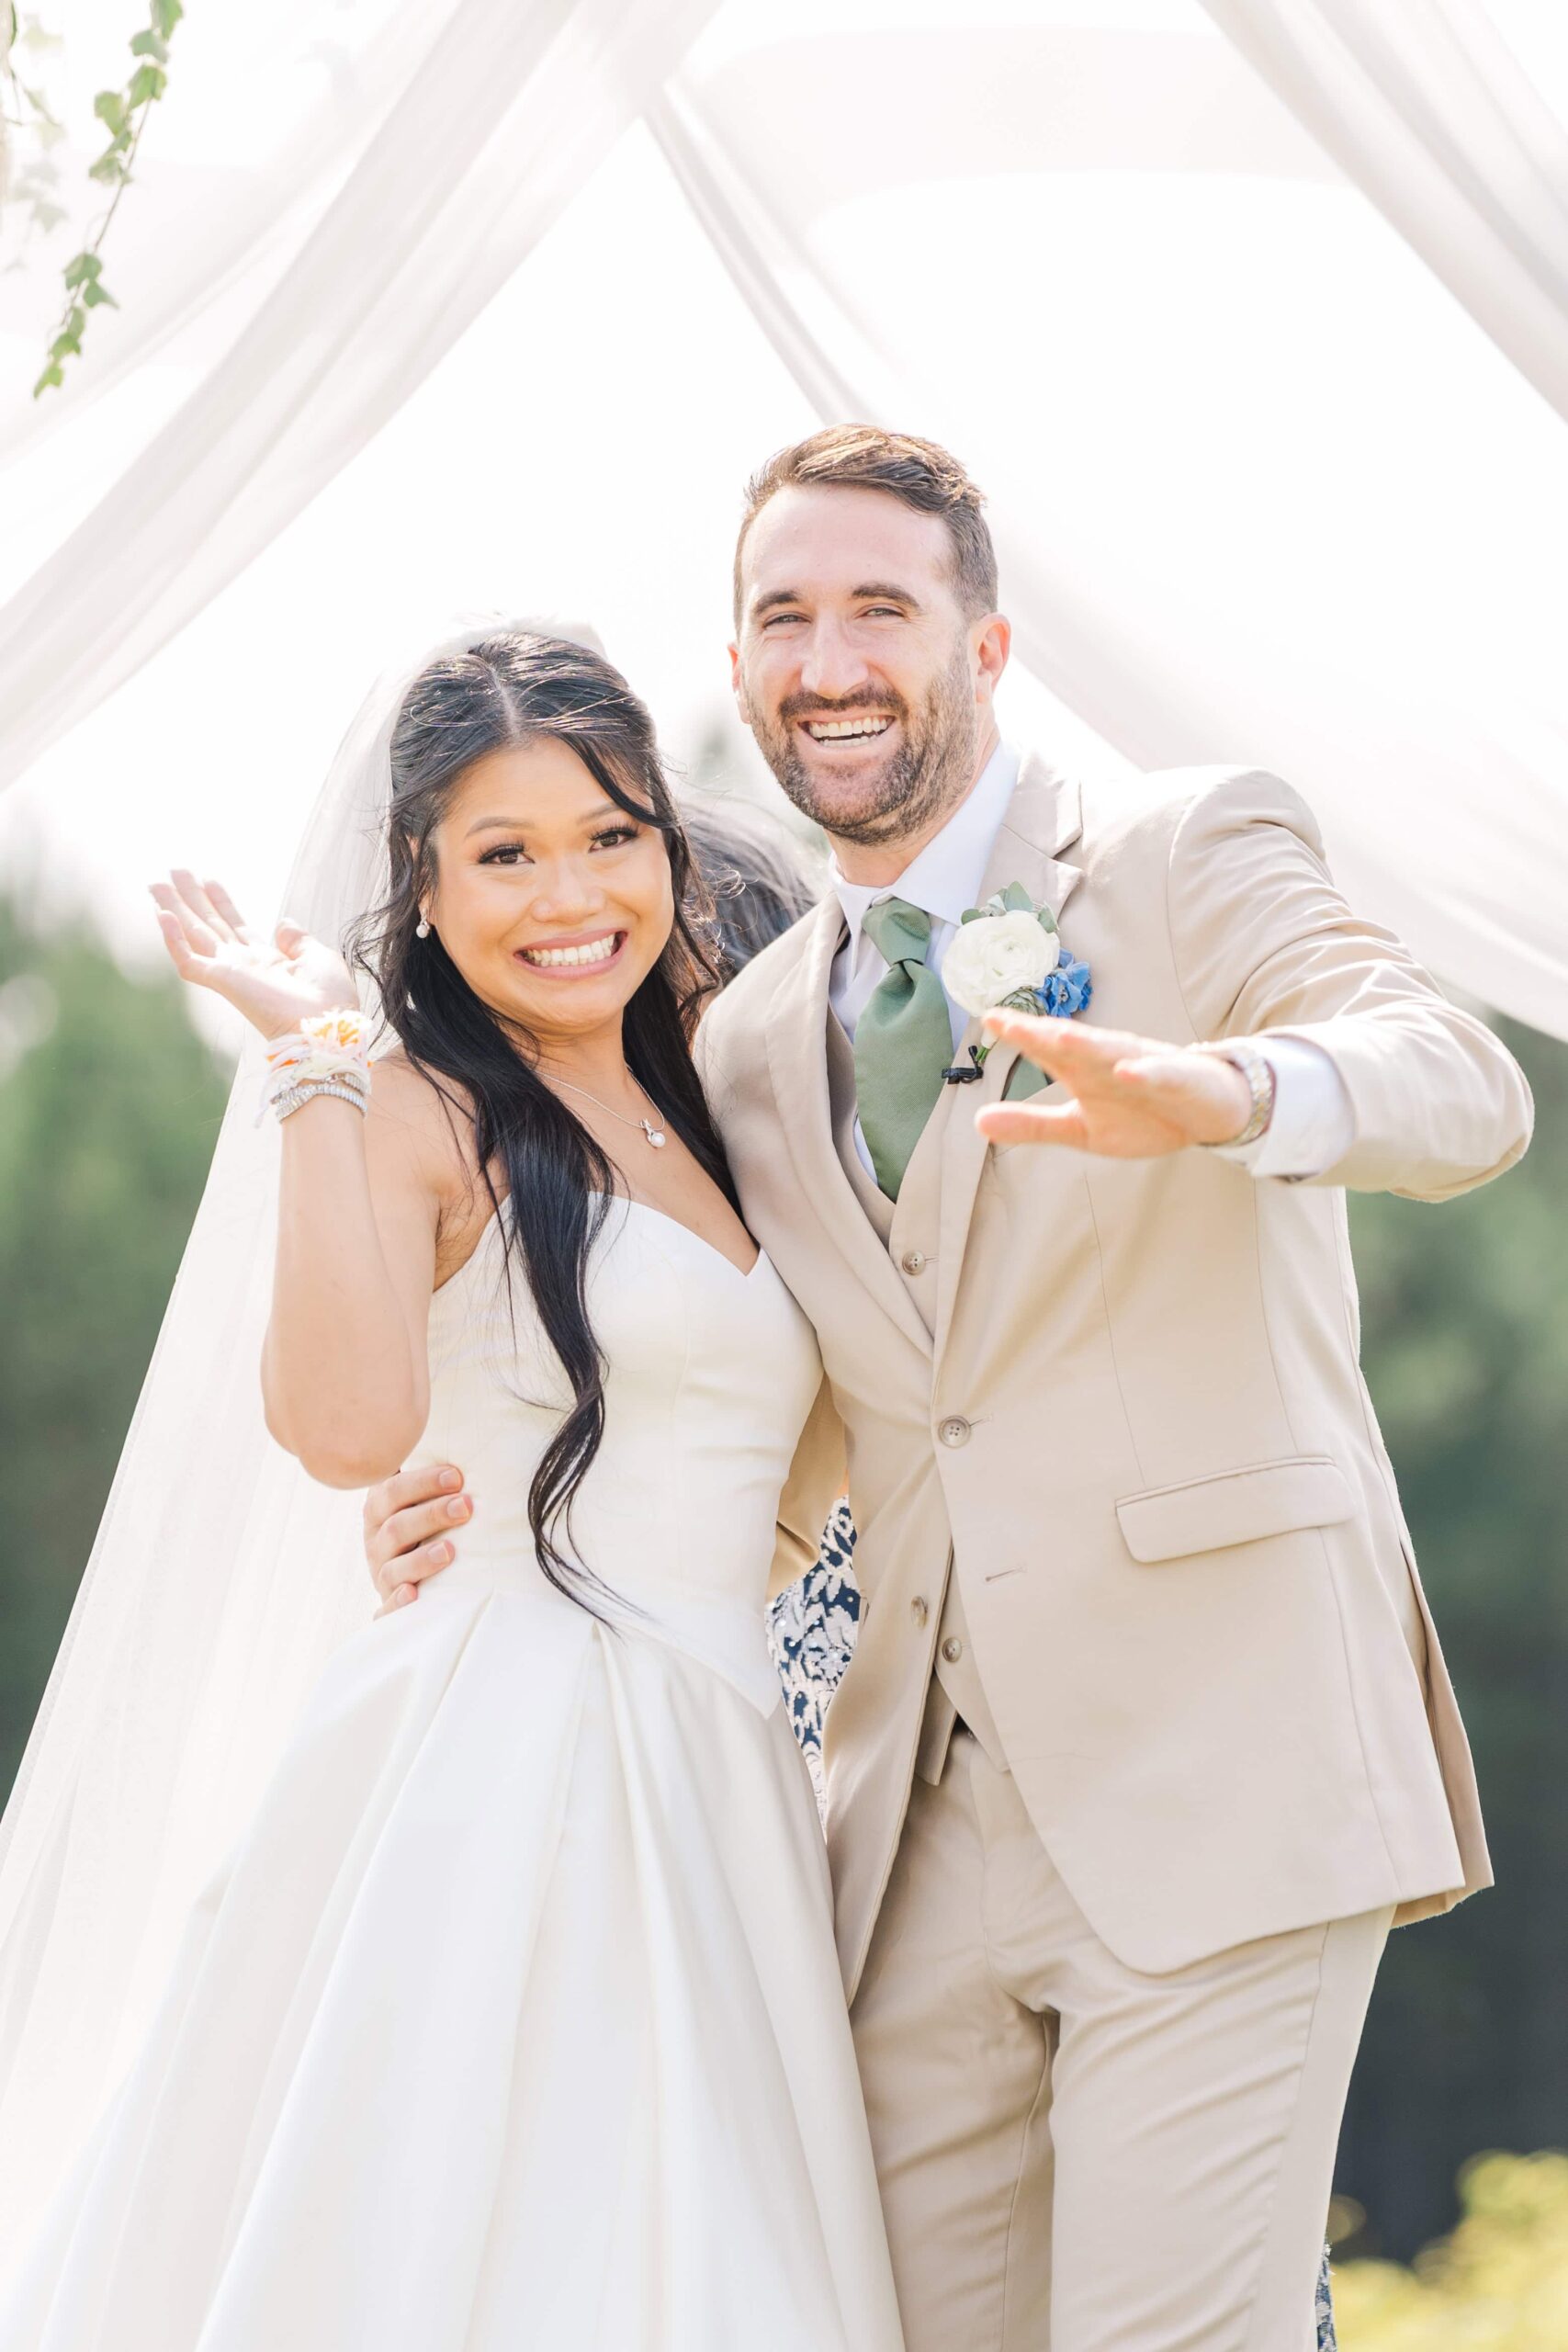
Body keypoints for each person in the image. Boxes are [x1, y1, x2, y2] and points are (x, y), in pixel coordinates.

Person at [367, 427, 1532, 2351]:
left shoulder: (1184, 852)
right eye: (783, 617)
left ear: (983, 645)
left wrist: (1233, 1092)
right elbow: (751, 1394)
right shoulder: (747, 1034)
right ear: (738, 666)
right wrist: (480, 1497)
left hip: (1220, 1773)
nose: (828, 661)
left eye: (878, 609)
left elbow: (1457, 1080)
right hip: (909, 1842)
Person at [0, 631, 906, 2350]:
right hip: (517, 1746)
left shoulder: (711, 1092)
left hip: (726, 1747)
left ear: (668, 842)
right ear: (421, 886)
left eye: (609, 836)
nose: (569, 896)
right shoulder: (416, 1103)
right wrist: (311, 1066)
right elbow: (349, 1429)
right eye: (505, 854)